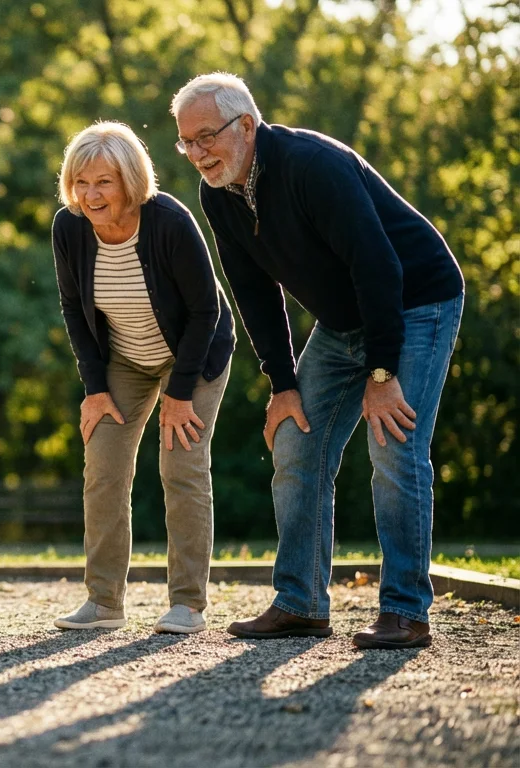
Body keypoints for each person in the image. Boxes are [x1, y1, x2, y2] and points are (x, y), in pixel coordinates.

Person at [170, 73, 464, 649]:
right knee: (296, 441)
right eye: (187, 143)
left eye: (207, 137)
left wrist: (381, 375)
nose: (199, 154)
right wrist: (282, 383)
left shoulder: (313, 166)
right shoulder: (217, 195)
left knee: (395, 446)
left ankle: (406, 610)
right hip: (341, 322)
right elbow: (252, 290)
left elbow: (379, 266)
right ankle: (301, 602)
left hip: (416, 301)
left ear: (247, 126)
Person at [50, 121, 236, 635]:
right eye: (82, 182)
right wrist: (94, 388)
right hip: (126, 359)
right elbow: (73, 307)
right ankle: (104, 602)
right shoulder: (69, 227)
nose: (91, 195)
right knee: (103, 465)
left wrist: (180, 394)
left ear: (129, 180)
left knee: (182, 466)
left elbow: (205, 313)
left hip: (193, 355)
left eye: (103, 182)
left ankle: (188, 604)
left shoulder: (169, 222)